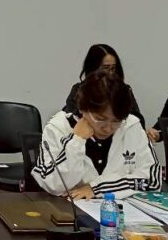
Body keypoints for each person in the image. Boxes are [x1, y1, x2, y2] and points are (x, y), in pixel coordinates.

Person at [33, 70, 161, 199]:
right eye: (100, 119)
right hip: (69, 207)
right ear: (82, 108)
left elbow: (152, 181)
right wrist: (76, 141)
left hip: (123, 207)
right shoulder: (58, 128)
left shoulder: (131, 126)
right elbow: (52, 185)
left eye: (116, 121)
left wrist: (98, 188)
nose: (108, 128)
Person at [61, 44, 146, 128]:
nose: (110, 73)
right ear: (93, 68)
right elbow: (70, 119)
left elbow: (138, 120)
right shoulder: (79, 90)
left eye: (113, 68)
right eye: (105, 68)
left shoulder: (124, 90)